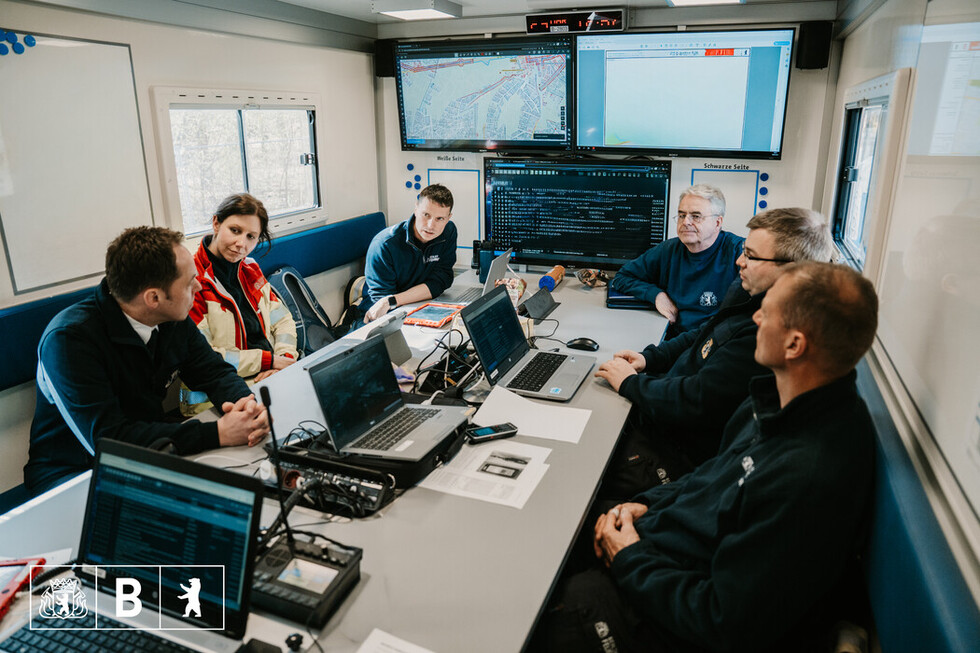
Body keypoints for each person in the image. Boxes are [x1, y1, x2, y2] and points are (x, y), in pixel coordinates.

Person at [540, 261, 879, 653]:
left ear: (794, 345)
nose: (754, 316)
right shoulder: (776, 402)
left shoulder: (810, 473)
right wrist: (641, 505)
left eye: (766, 314)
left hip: (661, 611)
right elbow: (708, 477)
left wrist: (629, 557)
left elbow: (721, 619)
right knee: (555, 523)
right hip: (656, 550)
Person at [595, 208, 834, 492]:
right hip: (660, 411)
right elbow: (706, 331)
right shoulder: (748, 293)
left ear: (791, 269)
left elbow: (696, 401)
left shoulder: (766, 335)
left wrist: (630, 384)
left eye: (751, 256)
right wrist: (649, 358)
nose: (739, 261)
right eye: (744, 251)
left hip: (675, 451)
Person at [24, 226, 269, 496]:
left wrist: (246, 405)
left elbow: (212, 370)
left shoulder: (170, 317)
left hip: (151, 448)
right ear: (153, 297)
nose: (198, 287)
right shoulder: (69, 340)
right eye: (189, 283)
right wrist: (216, 434)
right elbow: (108, 439)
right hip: (76, 473)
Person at [181, 193, 298, 414]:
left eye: (251, 236)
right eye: (235, 231)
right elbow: (207, 357)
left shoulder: (250, 269)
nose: (241, 244)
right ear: (216, 223)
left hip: (269, 378)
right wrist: (269, 361)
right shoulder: (191, 281)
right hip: (214, 398)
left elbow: (282, 320)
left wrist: (285, 360)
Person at [610, 185, 743, 339]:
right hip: (676, 342)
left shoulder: (739, 252)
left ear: (717, 222)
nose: (686, 222)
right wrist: (656, 295)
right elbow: (622, 277)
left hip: (716, 344)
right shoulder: (668, 250)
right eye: (681, 215)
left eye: (696, 216)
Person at [361, 183, 457, 323]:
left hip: (417, 305)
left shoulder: (448, 232)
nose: (431, 226)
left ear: (448, 218)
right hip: (377, 317)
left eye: (439, 219)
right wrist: (393, 301)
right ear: (416, 209)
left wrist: (395, 300)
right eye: (426, 215)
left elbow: (443, 279)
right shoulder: (384, 244)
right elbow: (382, 304)